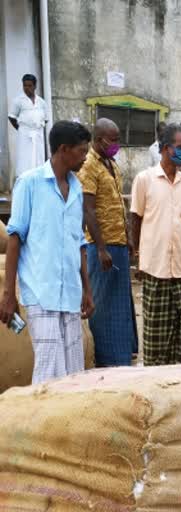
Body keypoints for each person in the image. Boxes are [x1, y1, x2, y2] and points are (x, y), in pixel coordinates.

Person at [0, 121, 95, 383]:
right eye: (82, 151)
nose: (85, 158)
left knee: (74, 374)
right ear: (64, 149)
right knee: (49, 373)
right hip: (41, 293)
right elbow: (15, 239)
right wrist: (9, 294)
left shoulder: (76, 188)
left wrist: (87, 290)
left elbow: (79, 244)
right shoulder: (29, 183)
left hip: (71, 294)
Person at [131, 123, 181, 366]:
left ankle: (177, 379)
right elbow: (135, 219)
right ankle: (154, 378)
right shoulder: (144, 180)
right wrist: (138, 254)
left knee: (180, 331)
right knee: (155, 333)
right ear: (166, 148)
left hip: (180, 266)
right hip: (154, 267)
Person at [78, 118, 138, 367]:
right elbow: (88, 210)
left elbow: (119, 206)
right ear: (99, 139)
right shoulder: (88, 166)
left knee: (121, 301)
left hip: (119, 242)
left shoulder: (111, 164)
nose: (117, 144)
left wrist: (130, 239)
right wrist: (101, 248)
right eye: (112, 140)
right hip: (101, 246)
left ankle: (122, 354)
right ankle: (106, 358)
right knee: (103, 303)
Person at [8, 74, 50, 175]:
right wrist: (22, 129)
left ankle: (37, 181)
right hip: (24, 134)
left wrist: (36, 128)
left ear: (35, 86)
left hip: (38, 134)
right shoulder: (18, 101)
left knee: (38, 159)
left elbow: (46, 119)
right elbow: (12, 117)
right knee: (24, 161)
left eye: (29, 85)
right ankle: (24, 180)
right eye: (25, 85)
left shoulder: (41, 102)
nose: (27, 88)